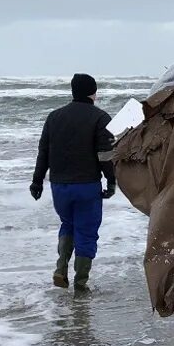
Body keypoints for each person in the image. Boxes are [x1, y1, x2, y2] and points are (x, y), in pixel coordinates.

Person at [30, 73, 117, 293]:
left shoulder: (54, 117)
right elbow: (105, 154)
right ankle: (80, 282)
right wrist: (112, 181)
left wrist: (37, 181)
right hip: (87, 185)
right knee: (86, 231)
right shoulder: (100, 117)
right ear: (93, 92)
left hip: (59, 186)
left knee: (68, 224)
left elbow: (44, 152)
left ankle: (61, 268)